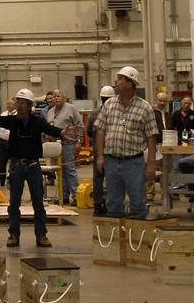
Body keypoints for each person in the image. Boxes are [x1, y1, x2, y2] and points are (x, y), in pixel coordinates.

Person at [0, 89, 63, 247]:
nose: (18, 105)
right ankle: (13, 234)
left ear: (29, 105)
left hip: (33, 167)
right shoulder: (12, 121)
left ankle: (41, 235)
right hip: (17, 167)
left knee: (38, 202)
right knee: (14, 203)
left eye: (21, 102)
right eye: (17, 101)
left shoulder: (37, 121)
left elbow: (50, 130)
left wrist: (63, 132)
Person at [93, 67, 158, 219]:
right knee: (113, 202)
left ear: (130, 83)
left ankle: (137, 236)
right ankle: (117, 238)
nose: (116, 81)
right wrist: (100, 157)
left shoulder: (145, 107)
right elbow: (101, 130)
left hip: (133, 162)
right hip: (111, 161)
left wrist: (151, 164)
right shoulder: (109, 105)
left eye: (120, 79)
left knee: (137, 201)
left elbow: (151, 137)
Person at [46, 90, 83, 205]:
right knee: (59, 171)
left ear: (64, 97)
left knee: (70, 170)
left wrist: (79, 140)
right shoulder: (50, 111)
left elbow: (80, 125)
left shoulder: (71, 108)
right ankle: (64, 196)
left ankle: (76, 196)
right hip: (55, 145)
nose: (56, 98)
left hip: (68, 143)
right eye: (54, 97)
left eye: (59, 96)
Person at [86, 85, 114, 214]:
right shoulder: (116, 114)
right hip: (112, 151)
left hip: (99, 151)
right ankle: (111, 204)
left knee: (98, 178)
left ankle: (97, 205)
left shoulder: (95, 114)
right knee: (112, 178)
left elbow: (89, 132)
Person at [0, 98, 17, 185]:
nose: (8, 106)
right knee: (1, 161)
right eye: (7, 104)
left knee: (14, 162)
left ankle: (13, 180)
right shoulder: (3, 114)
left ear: (15, 105)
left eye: (10, 104)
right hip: (2, 141)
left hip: (13, 142)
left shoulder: (18, 114)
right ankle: (0, 181)